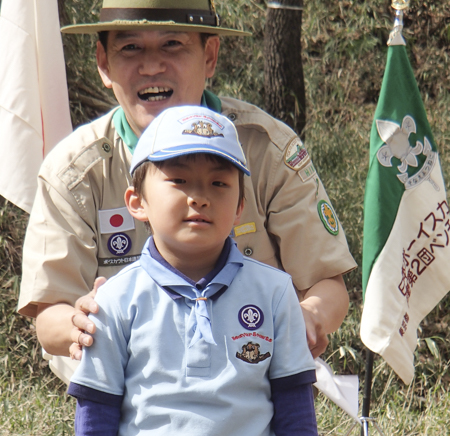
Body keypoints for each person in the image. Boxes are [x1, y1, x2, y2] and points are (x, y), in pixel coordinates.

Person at [67, 104, 331, 436]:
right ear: (137, 201)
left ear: (239, 204)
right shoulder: (114, 302)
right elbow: (94, 435)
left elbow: (297, 430)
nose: (199, 199)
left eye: (218, 184)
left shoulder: (276, 296)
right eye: (179, 181)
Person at [18, 0, 357, 383]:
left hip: (253, 393)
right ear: (103, 63)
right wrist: (78, 325)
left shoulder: (266, 150)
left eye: (172, 44)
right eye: (130, 48)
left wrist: (308, 316)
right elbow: (50, 314)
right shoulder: (75, 173)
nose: (150, 66)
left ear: (209, 56)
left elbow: (327, 283)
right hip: (127, 406)